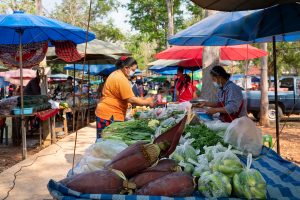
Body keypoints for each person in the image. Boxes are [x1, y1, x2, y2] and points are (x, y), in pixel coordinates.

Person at [95, 56, 154, 138]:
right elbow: (130, 99)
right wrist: (147, 102)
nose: (133, 72)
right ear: (126, 68)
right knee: (106, 141)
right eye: (133, 70)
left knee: (104, 141)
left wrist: (144, 99)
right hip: (110, 114)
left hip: (107, 112)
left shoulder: (116, 74)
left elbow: (128, 96)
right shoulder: (120, 78)